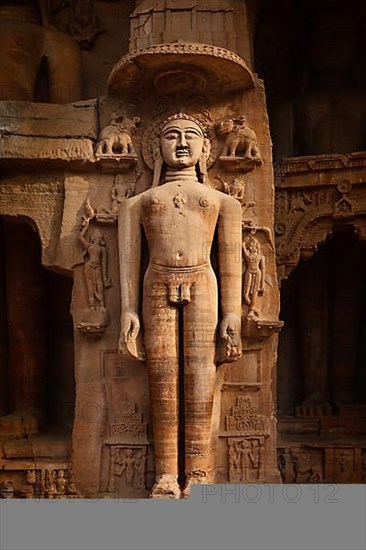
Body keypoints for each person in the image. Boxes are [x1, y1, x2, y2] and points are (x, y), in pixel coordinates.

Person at [118, 113, 242, 498]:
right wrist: (128, 309)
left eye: (192, 136)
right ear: (157, 148)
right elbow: (127, 260)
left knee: (201, 378)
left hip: (203, 282)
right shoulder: (138, 203)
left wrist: (232, 313)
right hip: (156, 282)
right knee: (163, 378)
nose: (182, 143)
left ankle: (200, 472)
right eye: (172, 136)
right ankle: (167, 474)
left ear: (207, 148)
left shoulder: (223, 202)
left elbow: (231, 260)